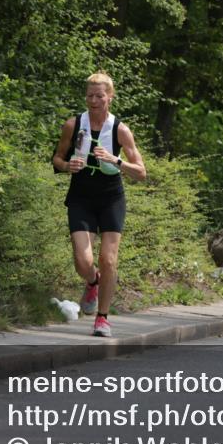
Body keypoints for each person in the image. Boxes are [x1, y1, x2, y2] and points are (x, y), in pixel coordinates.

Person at [52, 72, 146, 338]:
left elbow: (141, 172)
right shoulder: (73, 124)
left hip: (111, 198)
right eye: (90, 96)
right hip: (81, 196)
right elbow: (57, 158)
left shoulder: (120, 130)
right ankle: (93, 281)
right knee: (84, 261)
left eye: (99, 96)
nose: (94, 101)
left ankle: (102, 318)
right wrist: (67, 165)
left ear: (110, 97)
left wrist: (116, 160)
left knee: (108, 259)